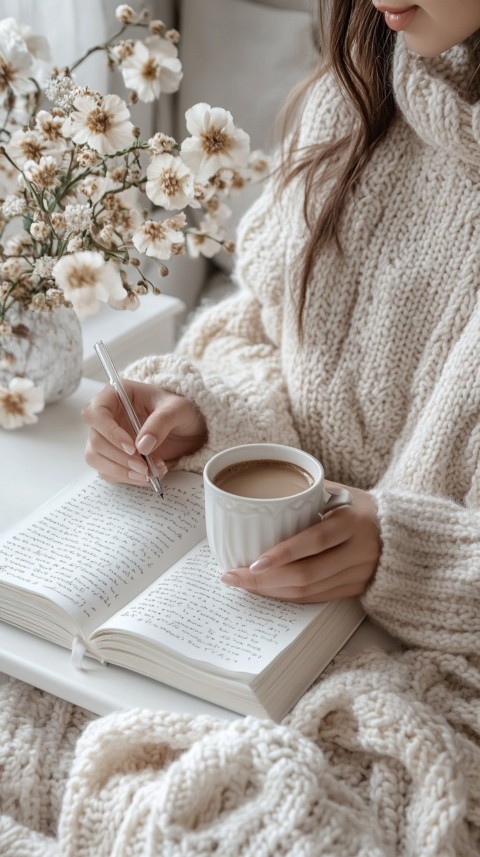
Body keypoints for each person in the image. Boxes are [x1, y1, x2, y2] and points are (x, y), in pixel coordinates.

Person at [73, 0, 480, 851]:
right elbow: (261, 324)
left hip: (433, 669)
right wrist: (203, 408)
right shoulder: (357, 94)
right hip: (256, 633)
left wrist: (408, 551)